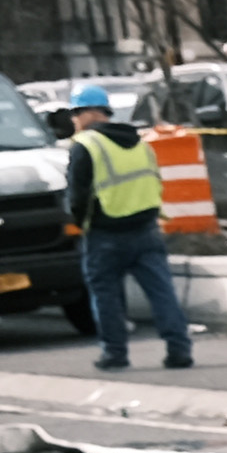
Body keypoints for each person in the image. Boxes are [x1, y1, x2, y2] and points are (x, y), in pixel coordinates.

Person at [65, 98, 192, 370]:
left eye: (75, 113)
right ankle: (179, 349)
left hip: (105, 233)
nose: (73, 121)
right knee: (162, 292)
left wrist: (80, 223)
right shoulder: (140, 143)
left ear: (89, 113)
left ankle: (114, 354)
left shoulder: (86, 145)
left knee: (106, 296)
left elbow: (77, 195)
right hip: (146, 230)